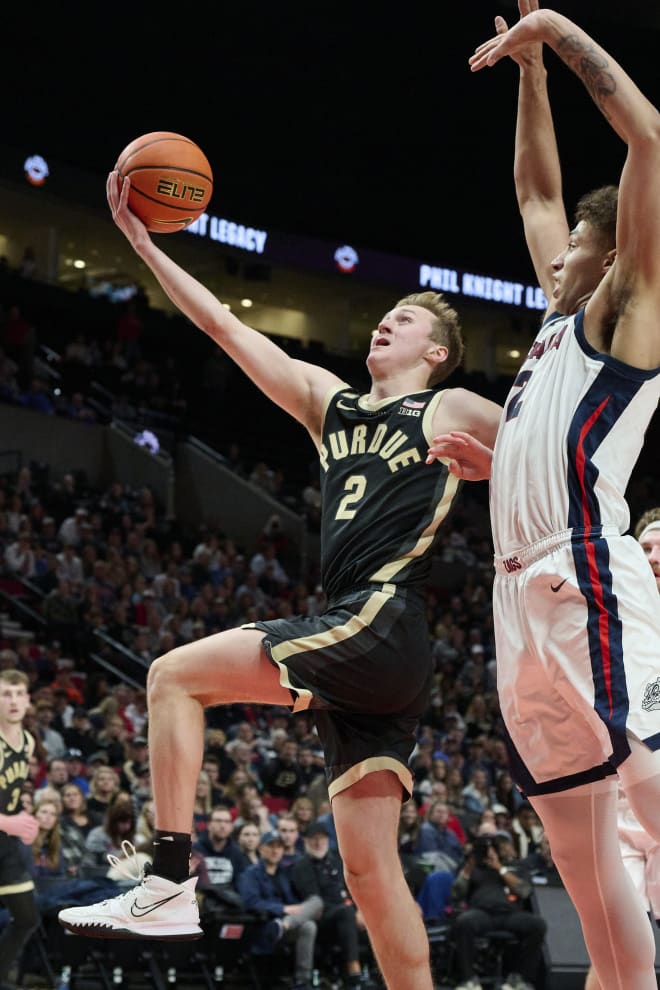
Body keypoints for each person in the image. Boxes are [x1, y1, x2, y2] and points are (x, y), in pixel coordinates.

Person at [58, 165, 501, 990]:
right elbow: (226, 326)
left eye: (399, 320)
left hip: (380, 619)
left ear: (434, 352)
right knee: (369, 879)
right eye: (379, 317)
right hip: (367, 652)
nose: (382, 326)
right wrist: (142, 244)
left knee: (170, 678)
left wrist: (499, 463)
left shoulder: (455, 407)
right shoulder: (327, 403)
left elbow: (557, 462)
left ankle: (167, 883)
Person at [440, 5, 660, 987]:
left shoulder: (629, 315)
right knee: (581, 850)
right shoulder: (557, 326)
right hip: (516, 596)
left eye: (574, 239)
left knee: (651, 792)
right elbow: (534, 191)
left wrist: (561, 33)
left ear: (608, 257)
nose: (554, 246)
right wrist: (527, 71)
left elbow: (650, 135)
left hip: (586, 578)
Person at [585, 508, 660, 989]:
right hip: (619, 802)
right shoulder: (612, 614)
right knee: (616, 950)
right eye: (646, 547)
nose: (653, 556)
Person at [451, 834, 547, 990]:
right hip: (481, 914)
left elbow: (524, 891)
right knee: (464, 922)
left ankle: (519, 979)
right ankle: (469, 980)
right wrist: (469, 866)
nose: (488, 853)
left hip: (508, 915)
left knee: (537, 925)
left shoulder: (512, 868)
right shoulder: (471, 868)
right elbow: (456, 893)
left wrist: (499, 867)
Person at [238, 830, 322, 990]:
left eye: (279, 847)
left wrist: (299, 912)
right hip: (263, 928)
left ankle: (302, 982)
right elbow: (250, 902)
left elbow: (294, 903)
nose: (276, 850)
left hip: (285, 926)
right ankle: (282, 926)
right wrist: (283, 908)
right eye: (271, 846)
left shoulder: (284, 874)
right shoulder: (250, 874)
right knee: (310, 919)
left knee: (314, 910)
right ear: (261, 849)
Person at [0, 669, 41, 990]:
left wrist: (23, 822)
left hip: (6, 843)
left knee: (27, 917)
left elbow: (9, 793)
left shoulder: (27, 742)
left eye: (18, 694)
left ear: (28, 700)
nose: (13, 701)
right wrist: (7, 821)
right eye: (5, 694)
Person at [291, 821, 366, 989]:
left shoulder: (337, 861)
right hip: (321, 918)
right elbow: (314, 901)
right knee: (346, 912)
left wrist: (359, 910)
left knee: (372, 914)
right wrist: (349, 910)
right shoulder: (302, 866)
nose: (318, 843)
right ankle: (354, 971)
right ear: (306, 841)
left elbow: (353, 888)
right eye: (314, 839)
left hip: (346, 913)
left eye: (322, 839)